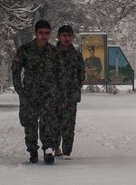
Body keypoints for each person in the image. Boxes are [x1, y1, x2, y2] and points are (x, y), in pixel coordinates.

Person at [11, 19, 62, 165]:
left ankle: (48, 150)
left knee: (48, 123)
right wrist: (20, 91)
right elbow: (15, 71)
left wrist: (58, 93)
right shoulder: (25, 50)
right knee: (30, 124)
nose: (44, 36)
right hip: (30, 94)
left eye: (46, 33)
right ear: (35, 33)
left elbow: (60, 74)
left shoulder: (54, 52)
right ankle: (32, 151)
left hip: (48, 94)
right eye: (41, 33)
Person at [54, 24, 85, 159]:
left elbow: (81, 74)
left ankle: (67, 152)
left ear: (72, 37)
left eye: (69, 36)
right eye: (64, 35)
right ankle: (55, 148)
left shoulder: (76, 55)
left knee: (69, 125)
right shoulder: (51, 53)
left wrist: (74, 88)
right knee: (53, 123)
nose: (66, 39)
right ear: (58, 37)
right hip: (53, 95)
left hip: (71, 96)